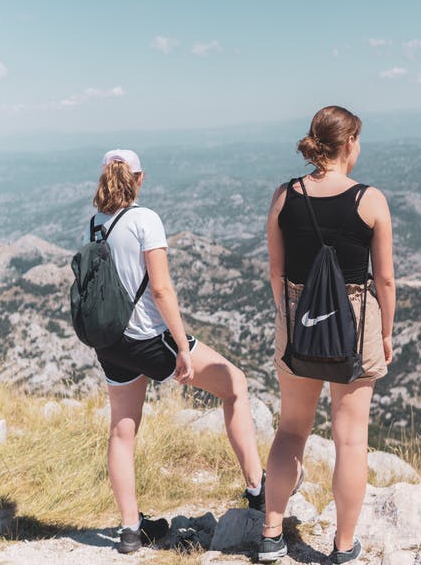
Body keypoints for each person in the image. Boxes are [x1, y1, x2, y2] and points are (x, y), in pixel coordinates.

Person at [87, 149, 264, 554]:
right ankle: (258, 490)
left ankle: (131, 529)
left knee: (122, 429)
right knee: (235, 383)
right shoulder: (145, 219)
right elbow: (162, 289)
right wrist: (183, 346)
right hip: (150, 338)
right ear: (139, 178)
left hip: (111, 343)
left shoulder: (95, 224)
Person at [259, 106, 395, 563]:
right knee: (350, 438)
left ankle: (271, 533)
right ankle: (342, 546)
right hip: (355, 327)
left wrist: (292, 317)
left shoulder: (285, 196)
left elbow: (276, 272)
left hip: (298, 322)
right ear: (350, 142)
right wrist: (388, 334)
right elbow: (387, 280)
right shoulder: (370, 200)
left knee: (292, 429)